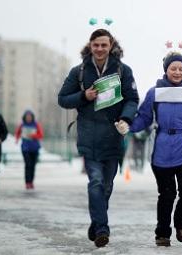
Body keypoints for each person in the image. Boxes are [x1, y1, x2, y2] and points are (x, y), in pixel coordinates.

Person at [57, 28, 139, 248]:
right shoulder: (79, 71)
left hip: (113, 137)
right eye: (96, 45)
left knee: (107, 187)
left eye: (104, 45)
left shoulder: (123, 71)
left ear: (111, 46)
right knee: (95, 182)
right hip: (88, 137)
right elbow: (63, 99)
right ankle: (102, 229)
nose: (100, 49)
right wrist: (84, 95)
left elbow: (133, 99)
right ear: (90, 46)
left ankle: (95, 224)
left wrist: (126, 119)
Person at [128, 51, 182, 247]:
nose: (177, 72)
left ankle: (180, 224)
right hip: (161, 149)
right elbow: (144, 118)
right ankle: (162, 233)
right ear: (166, 70)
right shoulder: (154, 93)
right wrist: (128, 126)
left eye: (181, 68)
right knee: (166, 195)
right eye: (173, 68)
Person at [14, 110, 43, 190]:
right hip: (25, 148)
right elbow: (17, 133)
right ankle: (27, 182)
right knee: (28, 165)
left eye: (30, 116)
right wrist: (17, 138)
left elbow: (41, 135)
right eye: (27, 116)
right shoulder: (22, 125)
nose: (28, 118)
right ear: (24, 117)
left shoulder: (36, 124)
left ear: (32, 117)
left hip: (34, 148)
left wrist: (33, 135)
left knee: (33, 166)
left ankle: (31, 182)